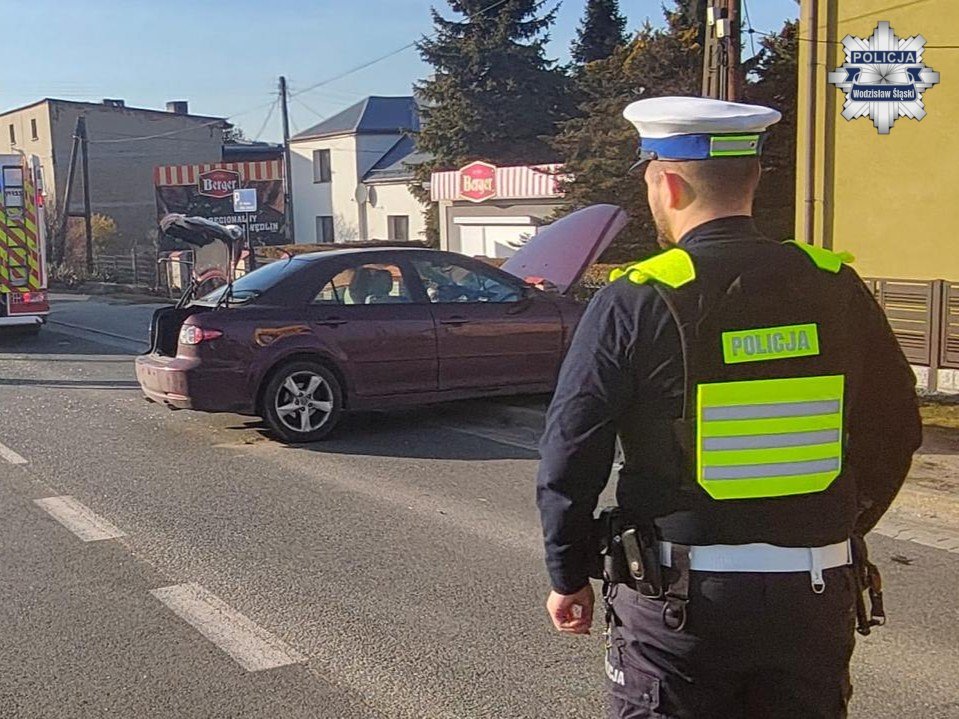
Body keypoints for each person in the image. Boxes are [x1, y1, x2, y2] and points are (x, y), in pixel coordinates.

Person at [536, 96, 922, 719]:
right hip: (814, 597)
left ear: (667, 183)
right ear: (755, 177)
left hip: (679, 605)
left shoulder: (639, 298)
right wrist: (839, 528)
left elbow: (571, 450)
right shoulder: (834, 284)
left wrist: (567, 572)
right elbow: (897, 429)